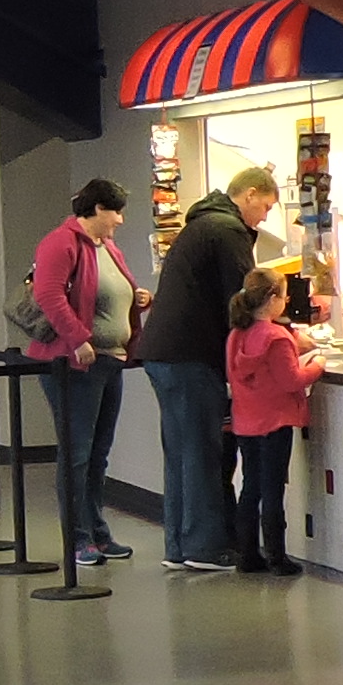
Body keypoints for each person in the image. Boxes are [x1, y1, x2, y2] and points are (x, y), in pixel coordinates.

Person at [128, 178, 254, 572]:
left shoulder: (199, 225)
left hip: (163, 353)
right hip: (191, 355)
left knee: (181, 452)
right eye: (266, 206)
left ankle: (179, 545)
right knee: (202, 451)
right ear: (250, 195)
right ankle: (206, 547)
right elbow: (242, 300)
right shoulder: (228, 230)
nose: (265, 216)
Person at [28, 179, 143, 567]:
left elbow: (109, 293)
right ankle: (78, 538)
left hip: (109, 360)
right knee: (77, 453)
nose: (120, 220)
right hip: (75, 363)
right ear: (96, 209)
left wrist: (138, 300)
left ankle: (97, 531)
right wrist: (78, 338)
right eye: (115, 211)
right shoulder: (61, 243)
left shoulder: (107, 246)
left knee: (98, 454)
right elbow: (48, 294)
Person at [223, 267, 315, 575]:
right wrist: (317, 365)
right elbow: (292, 380)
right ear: (273, 298)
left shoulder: (237, 334)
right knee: (273, 489)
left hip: (246, 421)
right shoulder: (277, 337)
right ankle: (277, 556)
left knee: (251, 487)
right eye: (285, 296)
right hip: (275, 422)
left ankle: (248, 554)